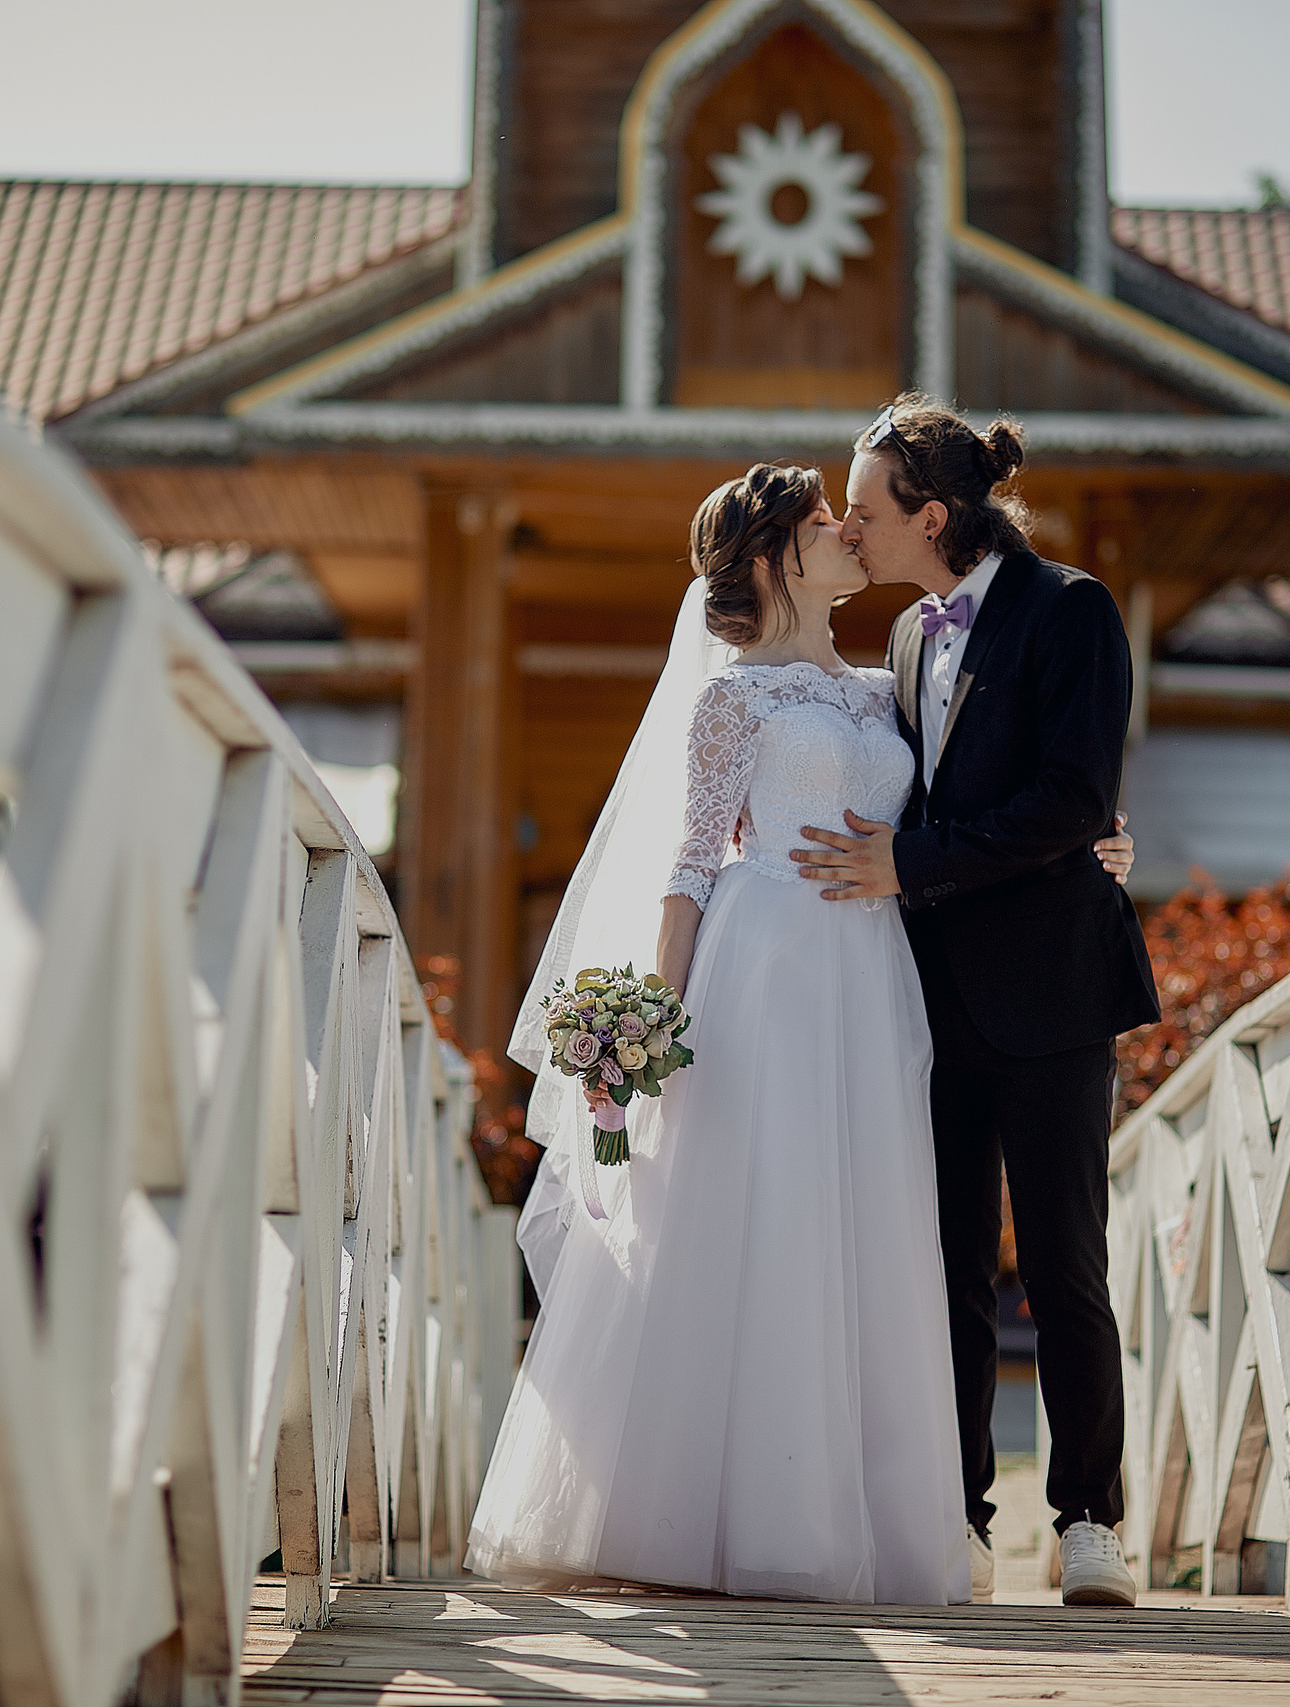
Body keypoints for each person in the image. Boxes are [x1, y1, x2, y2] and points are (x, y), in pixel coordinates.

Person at [467, 463, 1132, 1604]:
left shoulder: (886, 686)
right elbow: (688, 864)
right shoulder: (732, 700)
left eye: (852, 514)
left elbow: (989, 789)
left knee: (870, 1234)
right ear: (776, 558)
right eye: (826, 523)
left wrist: (1095, 840)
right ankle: (718, 1511)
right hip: (763, 970)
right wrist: (651, 1024)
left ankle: (887, 1515)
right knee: (755, 1219)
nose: (848, 534)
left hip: (876, 982)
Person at [794, 395, 1161, 1607]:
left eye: (863, 510)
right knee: (946, 1270)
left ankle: (1089, 1521)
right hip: (931, 1000)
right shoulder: (906, 637)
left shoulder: (1072, 609)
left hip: (1054, 993)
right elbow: (908, 797)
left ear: (933, 519)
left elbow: (1072, 797)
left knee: (1063, 1268)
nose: (848, 528)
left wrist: (912, 864)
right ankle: (958, 1522)